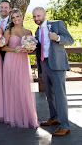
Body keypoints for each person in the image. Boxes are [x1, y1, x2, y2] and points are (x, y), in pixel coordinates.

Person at [32, 7, 74, 136]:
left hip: (57, 64)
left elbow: (70, 40)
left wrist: (57, 38)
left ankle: (64, 125)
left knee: (60, 96)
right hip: (45, 64)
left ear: (44, 15)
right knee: (49, 94)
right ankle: (54, 117)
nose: (36, 19)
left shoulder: (57, 24)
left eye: (38, 16)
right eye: (34, 17)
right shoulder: (37, 32)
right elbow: (39, 49)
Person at [2, 8, 39, 128]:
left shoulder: (28, 32)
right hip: (11, 60)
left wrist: (28, 49)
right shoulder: (8, 31)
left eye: (18, 16)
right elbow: (2, 48)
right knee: (12, 87)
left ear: (21, 17)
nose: (16, 19)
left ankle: (26, 116)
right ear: (11, 20)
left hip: (23, 61)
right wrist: (15, 49)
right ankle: (13, 116)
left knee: (24, 87)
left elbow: (32, 48)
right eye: (13, 17)